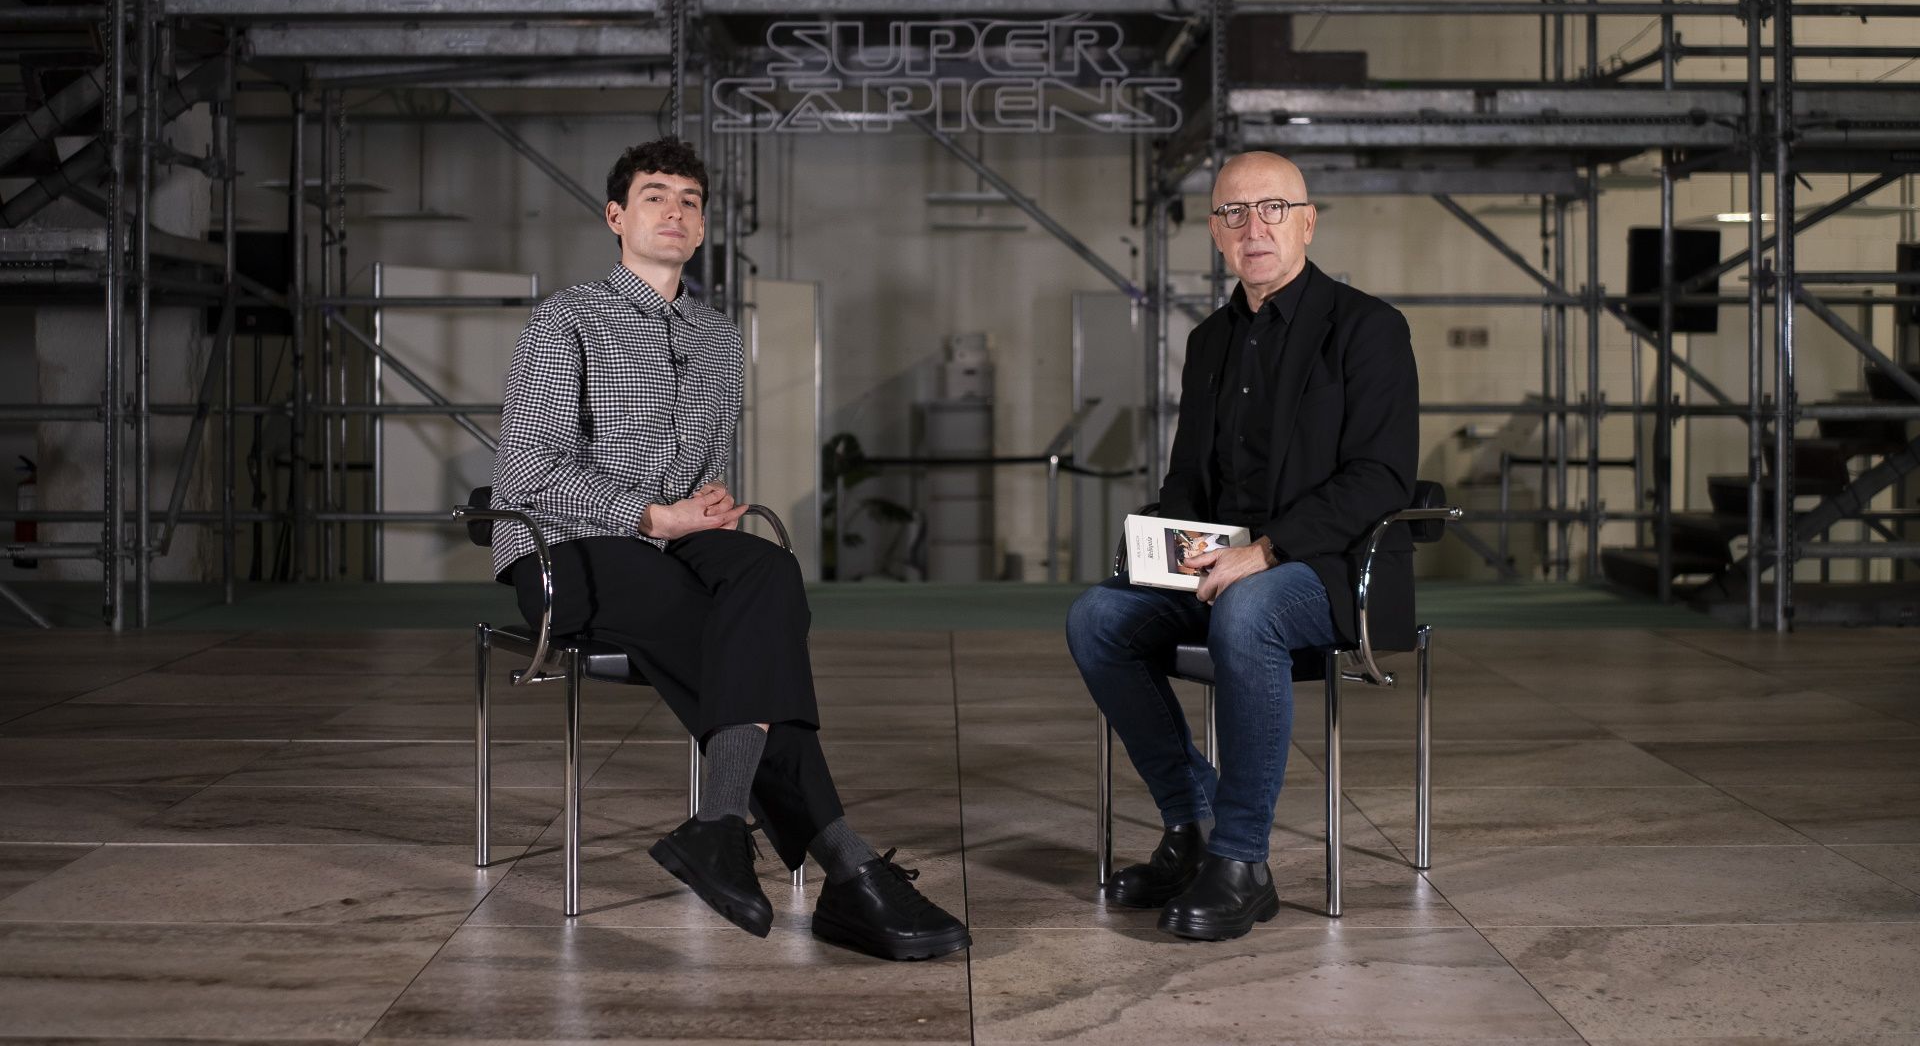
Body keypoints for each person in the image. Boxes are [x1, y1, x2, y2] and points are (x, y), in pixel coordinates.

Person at [489, 137, 968, 962]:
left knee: (768, 570)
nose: (675, 211)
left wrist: (704, 505)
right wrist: (649, 515)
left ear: (704, 225)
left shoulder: (715, 336)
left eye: (690, 200)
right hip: (563, 548)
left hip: (673, 540)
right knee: (731, 636)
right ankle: (846, 865)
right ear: (616, 216)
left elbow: (705, 467)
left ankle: (717, 826)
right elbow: (527, 469)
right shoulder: (567, 318)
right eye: (655, 196)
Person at [1065, 151, 1418, 941]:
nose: (1254, 227)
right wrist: (1171, 545)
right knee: (1096, 617)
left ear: (1307, 222)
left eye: (1272, 209)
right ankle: (1191, 824)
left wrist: (1266, 550)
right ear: (1216, 233)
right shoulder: (1209, 342)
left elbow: (1381, 477)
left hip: (1332, 572)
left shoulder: (1368, 329)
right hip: (1223, 567)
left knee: (1249, 610)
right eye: (1234, 213)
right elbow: (1187, 478)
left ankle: (1242, 860)